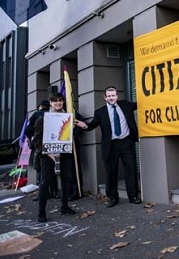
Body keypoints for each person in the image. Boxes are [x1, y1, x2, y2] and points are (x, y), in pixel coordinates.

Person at [75, 86, 141, 207]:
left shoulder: (125, 105)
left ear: (117, 96)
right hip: (111, 145)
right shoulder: (100, 112)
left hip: (127, 143)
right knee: (111, 172)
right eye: (109, 96)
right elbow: (92, 125)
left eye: (113, 95)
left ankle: (133, 196)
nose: (111, 98)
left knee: (131, 170)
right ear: (105, 97)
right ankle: (112, 198)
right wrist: (84, 125)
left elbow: (139, 104)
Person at [32, 92, 79, 222]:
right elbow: (36, 140)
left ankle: (64, 207)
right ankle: (41, 213)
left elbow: (70, 136)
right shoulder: (43, 118)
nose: (58, 103)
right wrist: (48, 153)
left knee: (67, 179)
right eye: (55, 101)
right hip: (47, 155)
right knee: (45, 182)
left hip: (65, 153)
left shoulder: (67, 117)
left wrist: (73, 130)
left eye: (60, 100)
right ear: (50, 103)